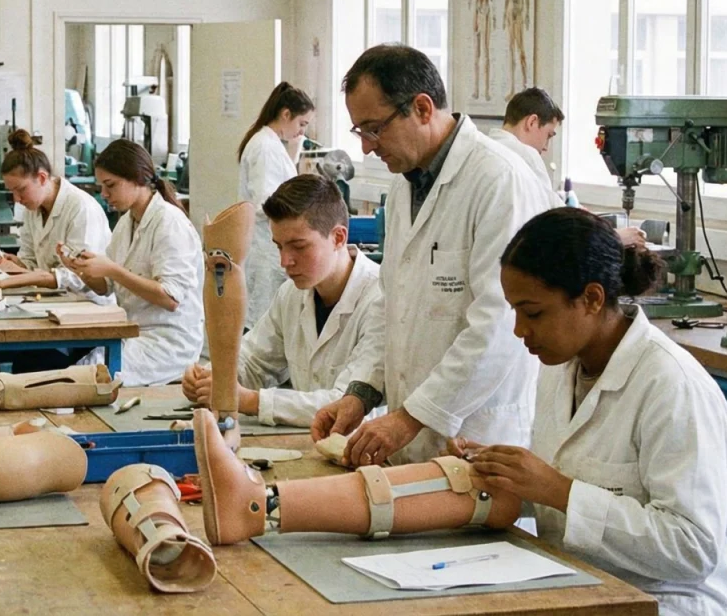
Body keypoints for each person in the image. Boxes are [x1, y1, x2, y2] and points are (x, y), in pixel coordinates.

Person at [454, 208, 727, 615]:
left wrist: (558, 490)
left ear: (591, 298)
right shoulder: (563, 366)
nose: (519, 330)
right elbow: (576, 474)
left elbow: (693, 547)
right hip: (580, 585)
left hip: (664, 602)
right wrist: (507, 472)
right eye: (514, 311)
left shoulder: (671, 386)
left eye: (533, 312)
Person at [313, 43, 552, 468]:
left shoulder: (498, 181)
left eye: (374, 129)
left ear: (422, 108)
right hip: (411, 434)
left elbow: (498, 325)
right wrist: (362, 392)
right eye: (360, 133)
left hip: (477, 432)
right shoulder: (405, 185)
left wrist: (410, 418)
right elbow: (393, 305)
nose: (367, 148)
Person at [181, 174, 383, 427]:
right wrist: (211, 377)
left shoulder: (380, 300)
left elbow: (347, 403)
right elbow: (254, 360)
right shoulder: (292, 294)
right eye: (279, 246)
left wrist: (250, 401)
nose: (285, 261)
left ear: (339, 238)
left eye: (299, 247)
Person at [63, 140, 203, 386]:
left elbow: (170, 298)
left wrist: (113, 270)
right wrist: (80, 268)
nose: (104, 194)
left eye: (111, 186)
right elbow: (105, 286)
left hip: (167, 343)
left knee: (82, 381)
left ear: (137, 178)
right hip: (134, 333)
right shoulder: (128, 222)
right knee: (75, 376)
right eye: (102, 187)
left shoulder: (169, 223)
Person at [236, 81, 315, 329]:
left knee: (269, 320)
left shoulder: (269, 144)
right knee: (264, 322)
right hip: (264, 247)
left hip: (267, 246)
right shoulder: (265, 147)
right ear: (285, 114)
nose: (302, 132)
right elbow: (265, 201)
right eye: (301, 124)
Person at [0, 129, 112, 295]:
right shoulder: (33, 208)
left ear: (42, 178)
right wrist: (18, 265)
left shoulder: (80, 208)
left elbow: (80, 275)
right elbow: (30, 260)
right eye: (11, 191)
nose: (16, 199)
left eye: (20, 189)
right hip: (53, 300)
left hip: (88, 304)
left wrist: (28, 278)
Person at [489, 87, 562, 195]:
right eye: (548, 135)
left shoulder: (481, 149)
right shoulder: (528, 157)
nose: (546, 147)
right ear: (532, 122)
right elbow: (548, 210)